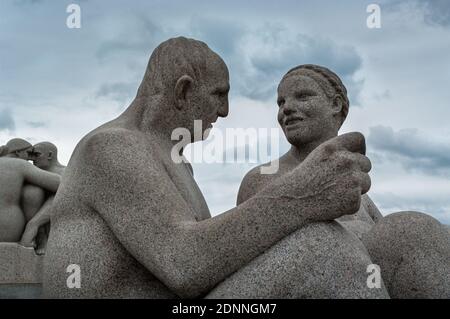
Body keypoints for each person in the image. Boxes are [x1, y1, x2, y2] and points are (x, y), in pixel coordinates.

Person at [43, 37, 386, 298]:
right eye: (219, 94)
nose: (224, 111)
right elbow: (183, 263)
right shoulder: (111, 147)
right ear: (183, 91)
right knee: (321, 249)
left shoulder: (175, 164)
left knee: (409, 233)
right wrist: (302, 195)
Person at [237, 64, 449, 298]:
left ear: (335, 105)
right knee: (408, 228)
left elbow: (392, 244)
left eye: (303, 96)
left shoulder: (359, 194)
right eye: (281, 102)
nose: (286, 108)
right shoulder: (263, 178)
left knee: (415, 231)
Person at [0, 139, 60, 242]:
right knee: (33, 190)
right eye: (28, 153)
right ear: (17, 152)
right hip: (7, 230)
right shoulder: (19, 164)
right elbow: (62, 183)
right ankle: (38, 236)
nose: (30, 159)